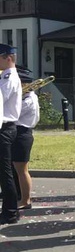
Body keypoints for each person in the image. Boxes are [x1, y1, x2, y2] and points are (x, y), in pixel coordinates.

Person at [12, 69, 40, 210]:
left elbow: (12, 114)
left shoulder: (28, 99)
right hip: (17, 133)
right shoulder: (23, 97)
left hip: (22, 133)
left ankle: (25, 200)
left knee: (22, 170)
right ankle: (16, 194)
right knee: (13, 169)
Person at [0, 44, 22, 225]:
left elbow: (2, 97)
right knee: (6, 171)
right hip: (6, 127)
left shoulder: (8, 77)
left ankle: (10, 212)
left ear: (8, 58)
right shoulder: (5, 76)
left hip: (5, 128)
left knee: (5, 172)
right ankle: (10, 209)